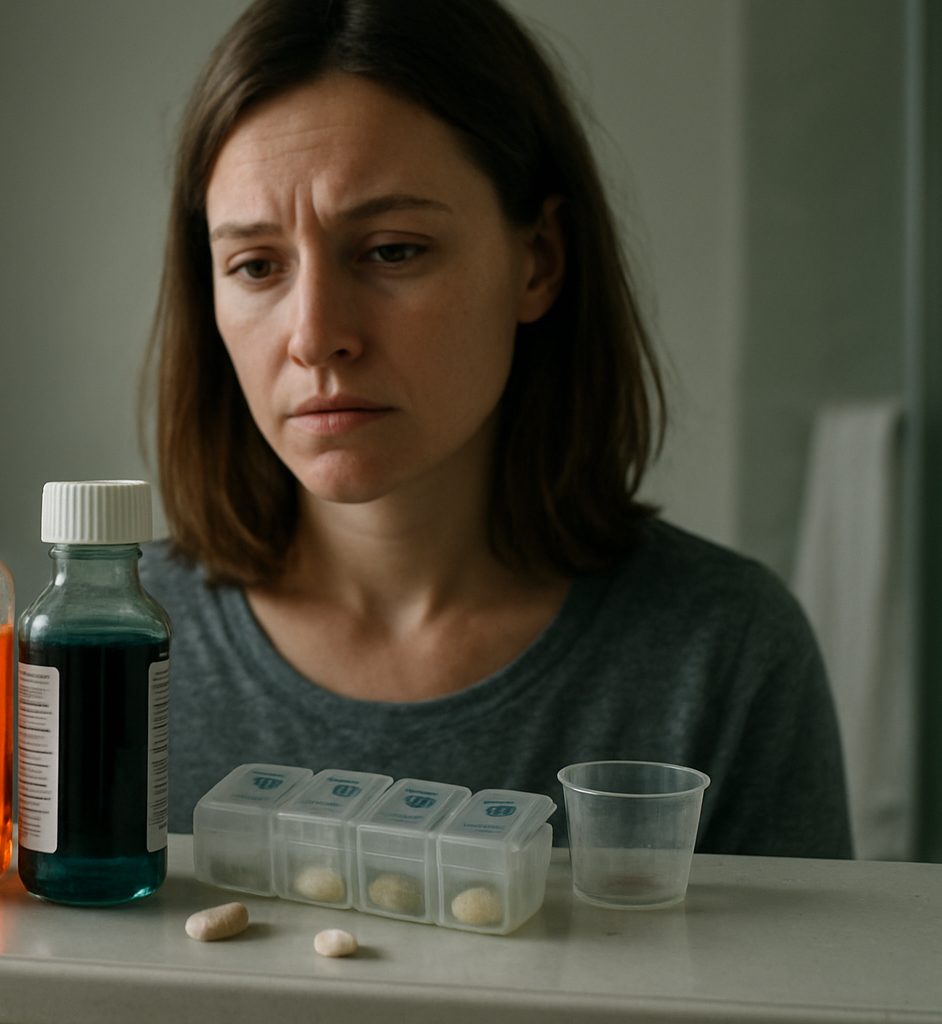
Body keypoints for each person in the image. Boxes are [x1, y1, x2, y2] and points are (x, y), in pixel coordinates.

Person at [141, 0, 852, 857]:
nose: (314, 333)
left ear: (539, 260)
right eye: (256, 266)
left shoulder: (724, 656)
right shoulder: (107, 644)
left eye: (393, 249)